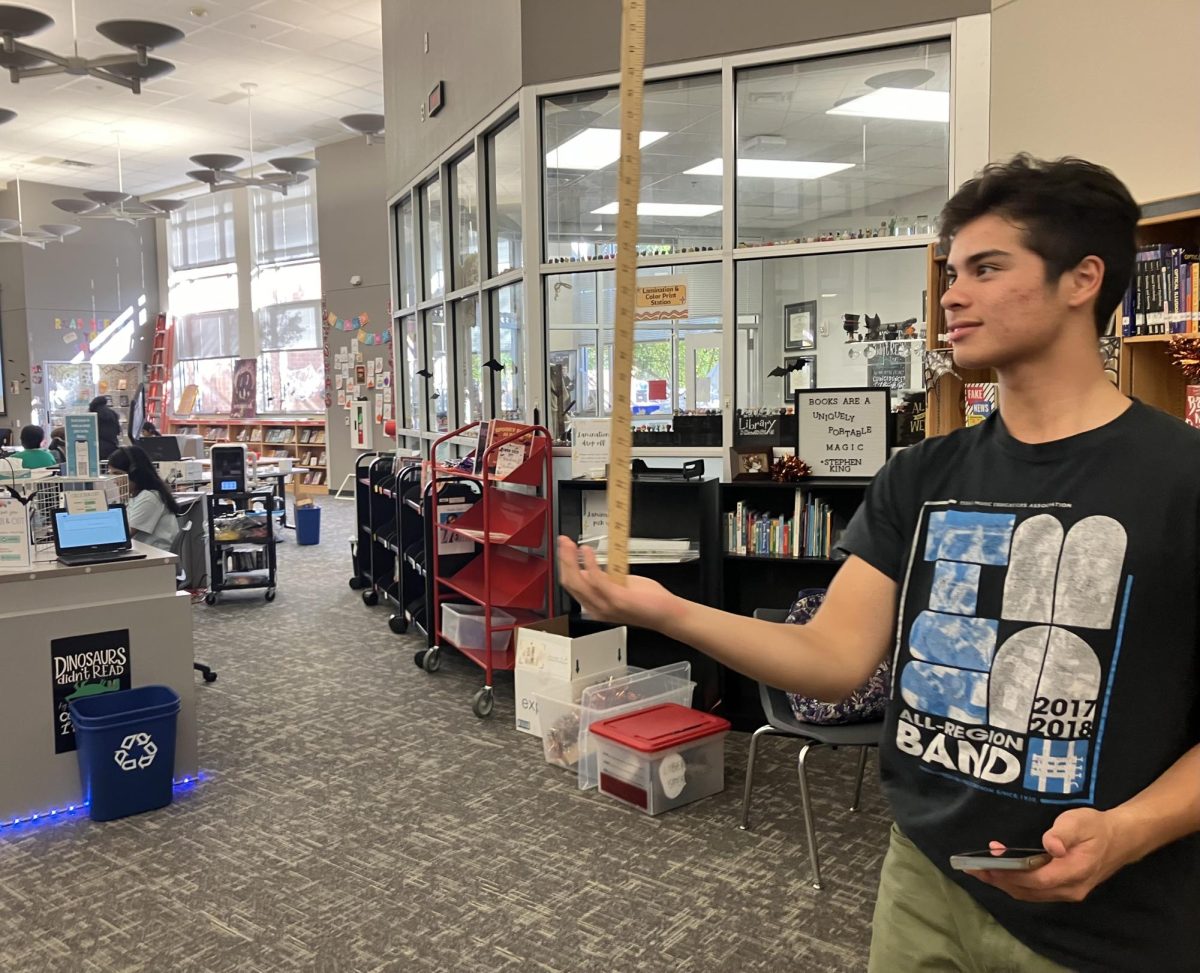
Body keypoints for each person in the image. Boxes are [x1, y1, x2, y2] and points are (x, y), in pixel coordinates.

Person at [557, 155, 1200, 973]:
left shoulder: (1181, 480)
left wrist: (1128, 830)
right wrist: (662, 610)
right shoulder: (920, 475)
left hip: (1111, 918)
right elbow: (830, 661)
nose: (951, 295)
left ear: (1083, 280)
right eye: (952, 271)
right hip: (925, 880)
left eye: (987, 268)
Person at [106, 445, 180, 552]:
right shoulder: (137, 496)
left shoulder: (149, 498)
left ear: (135, 473)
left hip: (154, 559)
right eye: (111, 474)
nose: (115, 480)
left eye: (118, 474)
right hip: (147, 554)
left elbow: (123, 536)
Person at [88, 395, 121, 460]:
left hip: (97, 448)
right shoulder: (113, 414)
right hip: (112, 446)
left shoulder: (93, 416)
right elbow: (118, 431)